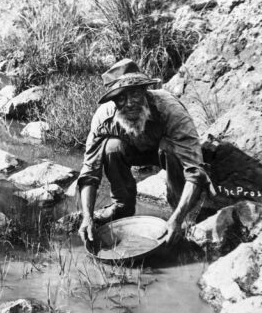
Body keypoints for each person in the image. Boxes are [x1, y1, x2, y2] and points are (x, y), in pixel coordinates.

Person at [78, 58, 209, 246]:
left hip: (165, 152)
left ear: (145, 92)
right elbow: (89, 172)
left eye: (135, 95)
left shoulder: (169, 110)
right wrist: (87, 218)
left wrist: (178, 219)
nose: (129, 103)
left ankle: (183, 214)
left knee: (168, 147)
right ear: (114, 101)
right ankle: (122, 207)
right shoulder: (104, 117)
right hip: (133, 150)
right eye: (121, 98)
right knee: (111, 147)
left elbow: (195, 170)